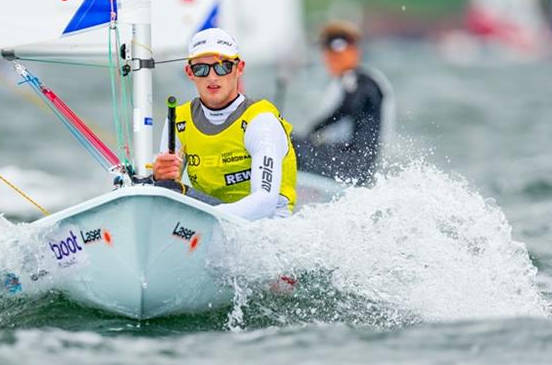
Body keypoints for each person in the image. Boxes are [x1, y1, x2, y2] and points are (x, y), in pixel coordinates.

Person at [152, 28, 297, 220]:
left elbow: (265, 201)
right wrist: (159, 175)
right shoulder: (178, 119)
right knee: (162, 187)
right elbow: (168, 191)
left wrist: (206, 218)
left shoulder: (261, 121)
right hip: (212, 221)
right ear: (189, 72)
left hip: (265, 225)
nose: (212, 77)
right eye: (201, 69)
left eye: (223, 67)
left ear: (239, 68)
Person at [292, 21, 388, 186]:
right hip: (350, 161)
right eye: (330, 56)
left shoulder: (362, 80)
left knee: (289, 142)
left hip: (354, 167)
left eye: (338, 55)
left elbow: (349, 106)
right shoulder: (343, 82)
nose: (333, 60)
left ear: (355, 52)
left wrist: (315, 129)